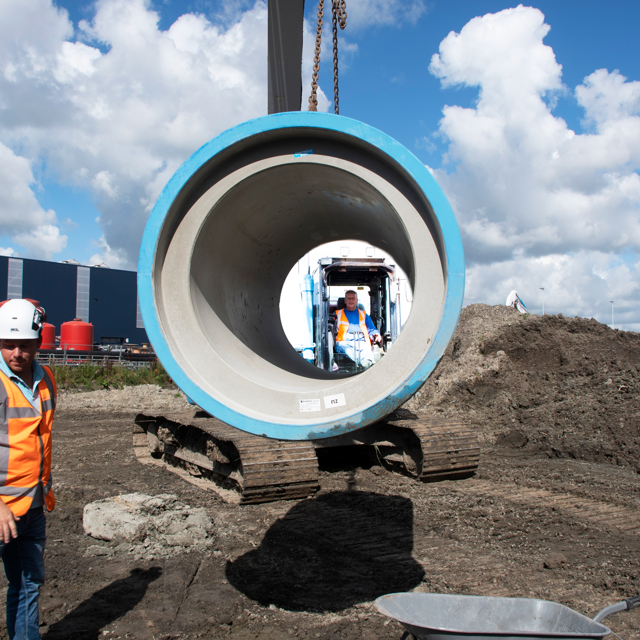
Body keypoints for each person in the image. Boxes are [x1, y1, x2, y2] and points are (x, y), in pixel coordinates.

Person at [0, 299, 56, 639]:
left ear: (38, 342)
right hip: (2, 506)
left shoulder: (46, 378)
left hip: (32, 504)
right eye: (9, 344)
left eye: (24, 345)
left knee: (27, 585)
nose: (17, 353)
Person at [334, 290, 382, 369]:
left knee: (366, 350)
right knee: (347, 350)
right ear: (345, 301)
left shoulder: (364, 314)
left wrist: (376, 334)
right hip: (344, 342)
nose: (351, 300)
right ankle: (365, 362)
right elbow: (330, 328)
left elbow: (371, 329)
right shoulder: (337, 314)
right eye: (349, 298)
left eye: (353, 298)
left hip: (361, 342)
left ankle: (368, 362)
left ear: (356, 300)